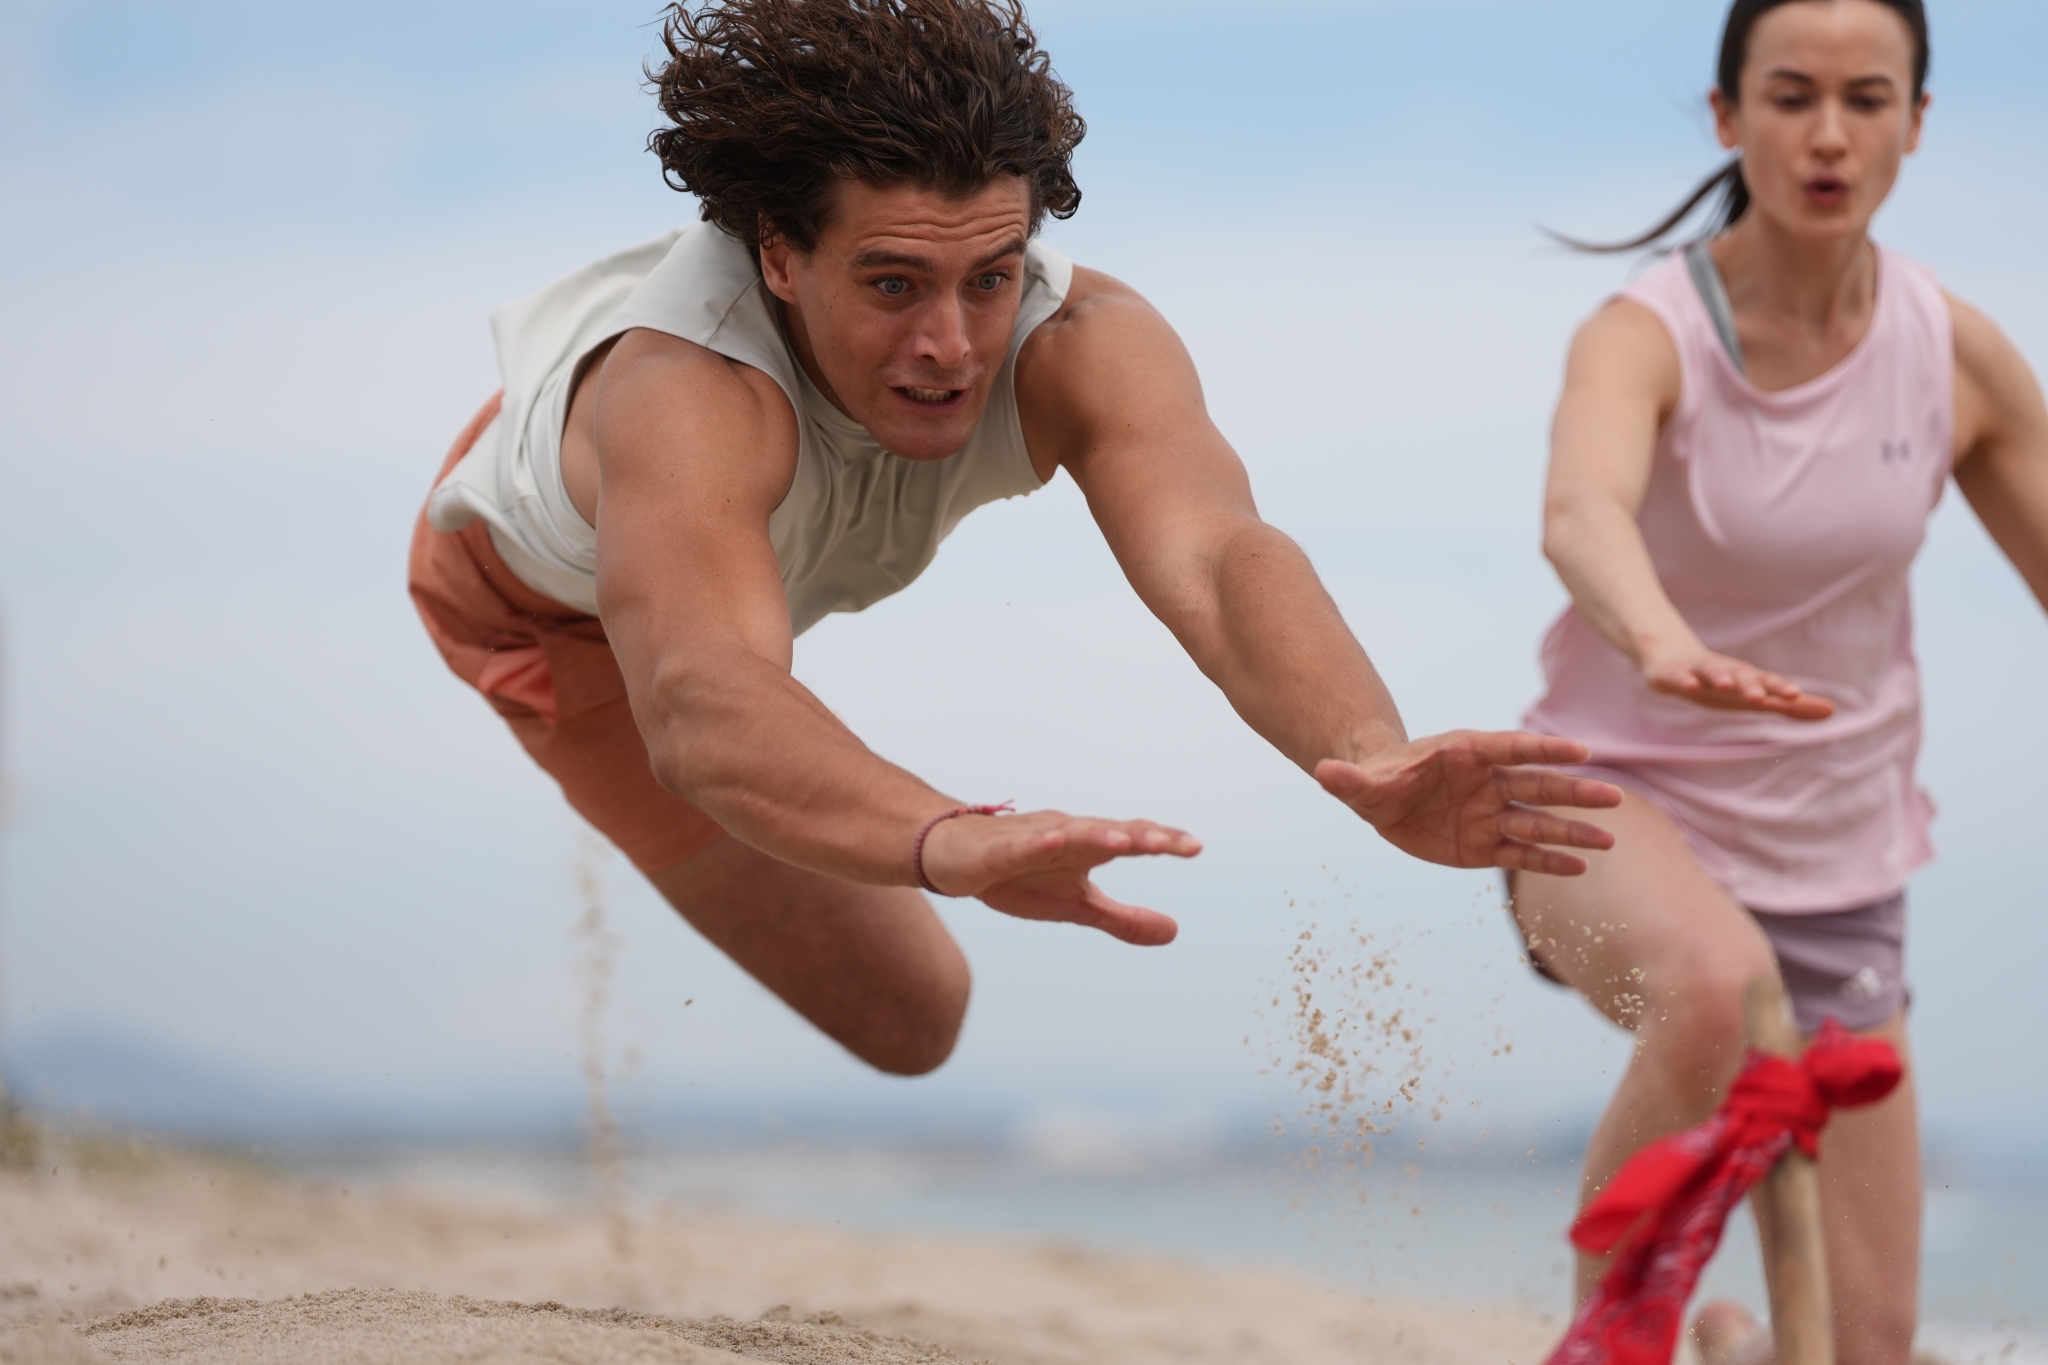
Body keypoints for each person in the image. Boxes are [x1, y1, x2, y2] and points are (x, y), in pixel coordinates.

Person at [410, 0, 1620, 1082]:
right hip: (542, 605)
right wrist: (945, 834)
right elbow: (697, 692)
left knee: (917, 1020)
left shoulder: (1082, 337)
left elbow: (1213, 554)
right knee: (911, 1012)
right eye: (892, 286)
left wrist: (1365, 750)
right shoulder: (686, 394)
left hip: (726, 576)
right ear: (780, 256)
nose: (952, 343)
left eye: (989, 277)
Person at [1509, 1, 2048, 1361]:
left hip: (1841, 866)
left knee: (1865, 1346)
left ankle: (1745, 1346)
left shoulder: (1956, 354)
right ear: (1725, 115)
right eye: (1791, 94)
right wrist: (1658, 639)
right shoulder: (1646, 334)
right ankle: (1610, 1343)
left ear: (1917, 124)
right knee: (1719, 985)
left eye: (1868, 99)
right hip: (1607, 812)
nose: (1827, 134)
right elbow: (1581, 509)